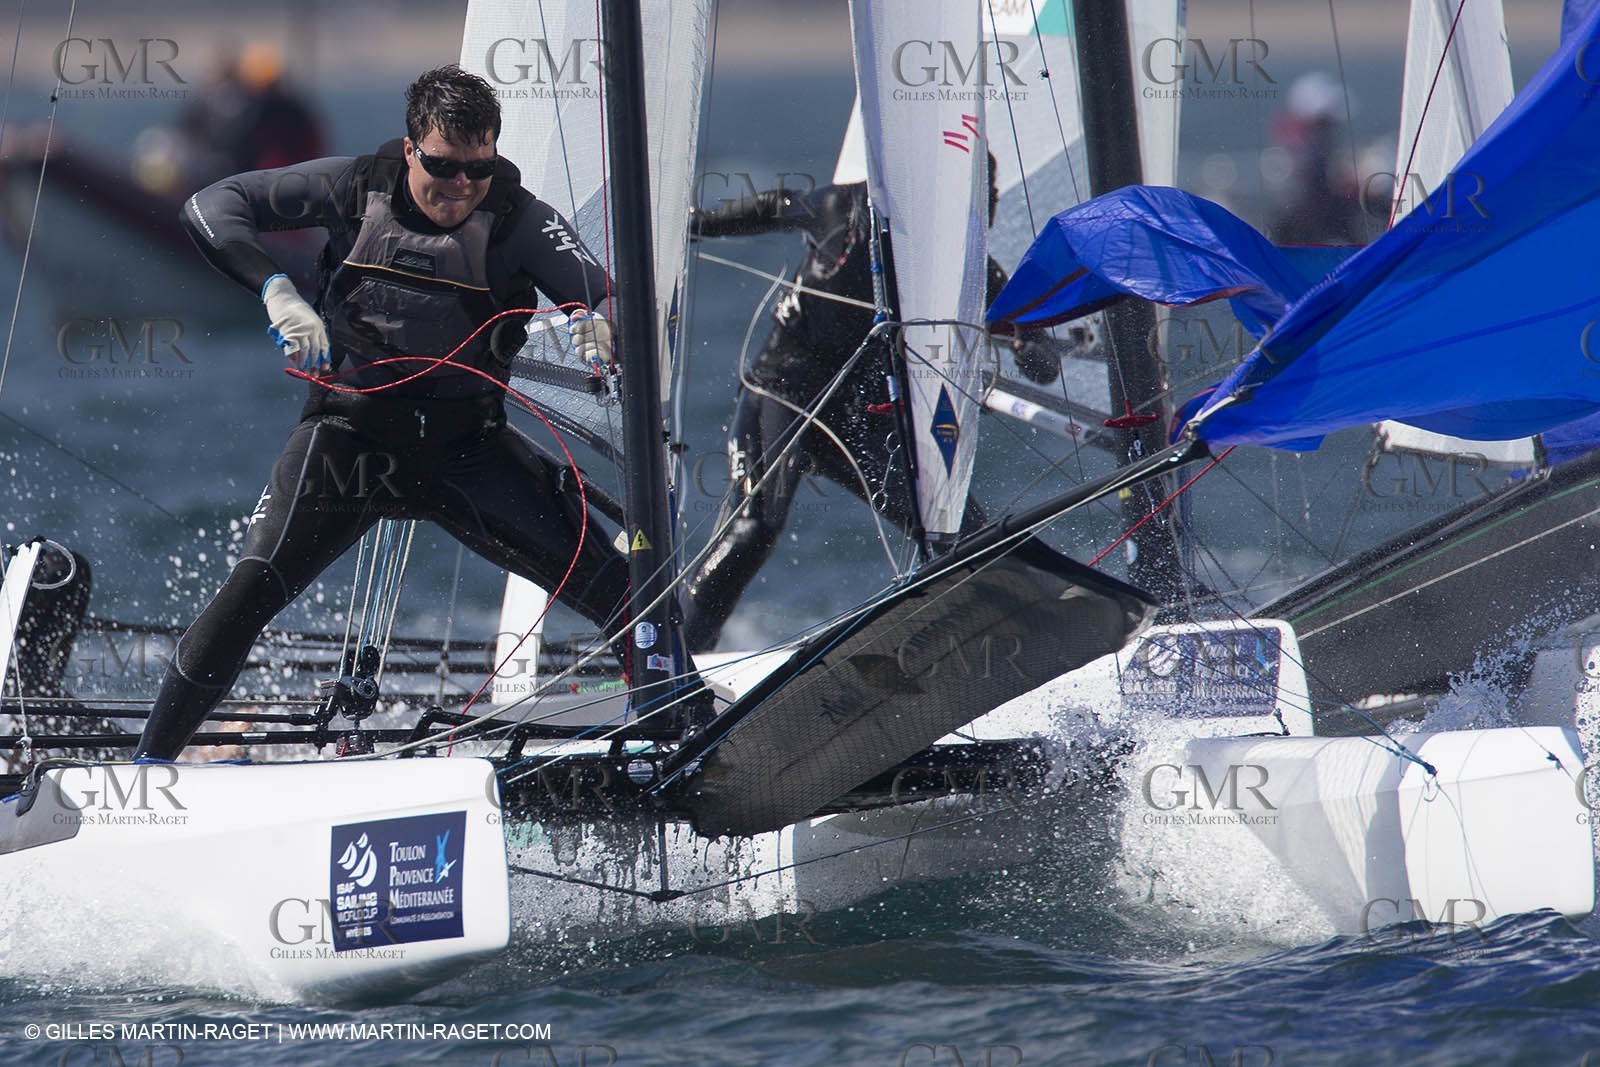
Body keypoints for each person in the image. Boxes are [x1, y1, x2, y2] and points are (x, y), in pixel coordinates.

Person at [135, 65, 624, 759]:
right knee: (248, 592)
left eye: (478, 169)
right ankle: (147, 771)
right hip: (349, 441)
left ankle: (686, 737)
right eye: (444, 167)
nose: (460, 187)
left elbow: (608, 294)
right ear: (410, 147)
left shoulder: (520, 220)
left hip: (470, 454)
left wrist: (602, 322)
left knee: (625, 596)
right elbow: (212, 205)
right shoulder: (355, 186)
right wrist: (275, 287)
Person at [680, 168, 1057, 652]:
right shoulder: (846, 209)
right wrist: (694, 224)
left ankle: (977, 647)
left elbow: (1044, 364)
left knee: (955, 529)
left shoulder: (968, 267)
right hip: (782, 393)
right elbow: (777, 204)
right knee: (758, 523)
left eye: (984, 203)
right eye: (972, 200)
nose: (980, 213)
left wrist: (1028, 343)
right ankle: (679, 650)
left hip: (853, 416)